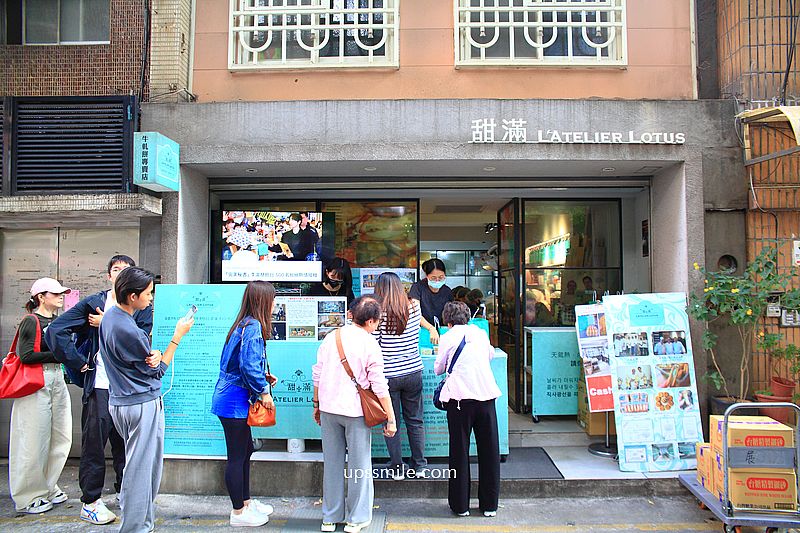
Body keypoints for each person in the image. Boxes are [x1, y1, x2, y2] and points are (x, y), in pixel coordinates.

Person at [46, 255, 152, 525]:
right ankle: (90, 501)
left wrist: (107, 322)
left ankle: (124, 493)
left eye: (126, 271)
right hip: (101, 386)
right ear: (109, 276)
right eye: (116, 270)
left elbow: (140, 340)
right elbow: (56, 330)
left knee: (126, 446)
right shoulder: (94, 303)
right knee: (94, 444)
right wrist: (79, 364)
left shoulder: (141, 306)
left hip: (128, 389)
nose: (120, 274)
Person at [99, 267, 194, 533]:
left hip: (122, 401)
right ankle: (136, 527)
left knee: (138, 466)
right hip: (140, 404)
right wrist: (178, 336)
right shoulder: (129, 329)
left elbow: (138, 360)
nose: (151, 298)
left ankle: (141, 524)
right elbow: (159, 370)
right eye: (149, 293)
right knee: (142, 470)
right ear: (132, 296)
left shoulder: (110, 319)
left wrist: (150, 353)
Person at [311, 296, 396, 533]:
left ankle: (330, 517)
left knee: (333, 463)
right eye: (377, 322)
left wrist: (316, 404)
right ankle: (356, 520)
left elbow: (317, 374)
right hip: (356, 412)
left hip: (329, 409)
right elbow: (379, 385)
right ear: (370, 321)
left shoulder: (332, 337)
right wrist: (390, 418)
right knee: (359, 465)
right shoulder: (370, 344)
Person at [210, 281, 278, 527]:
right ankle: (238, 512)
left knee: (245, 450)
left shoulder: (243, 323)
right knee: (237, 456)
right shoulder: (253, 327)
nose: (274, 305)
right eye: (272, 300)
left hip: (230, 396)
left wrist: (263, 378)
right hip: (234, 401)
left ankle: (246, 502)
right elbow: (248, 366)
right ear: (263, 301)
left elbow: (239, 364)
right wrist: (264, 391)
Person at [8, 278, 73, 514]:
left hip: (55, 378)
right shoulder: (31, 320)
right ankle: (28, 496)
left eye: (61, 293)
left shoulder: (58, 321)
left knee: (60, 436)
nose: (60, 296)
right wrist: (58, 355)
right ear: (41, 297)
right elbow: (25, 355)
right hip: (36, 380)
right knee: (33, 440)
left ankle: (48, 486)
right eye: (55, 293)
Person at [435, 301, 501, 518]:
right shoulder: (480, 333)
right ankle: (489, 505)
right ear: (467, 317)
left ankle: (460, 505)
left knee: (459, 452)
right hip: (486, 397)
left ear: (448, 320)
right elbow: (489, 355)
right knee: (489, 452)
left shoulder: (447, 337)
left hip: (460, 401)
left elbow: (438, 368)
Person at [373, 272, 427, 480]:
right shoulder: (414, 306)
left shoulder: (379, 312)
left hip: (388, 375)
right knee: (415, 420)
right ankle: (419, 465)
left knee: (391, 421)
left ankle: (397, 467)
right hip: (413, 370)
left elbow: (375, 344)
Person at [408, 258, 452, 345]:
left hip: (442, 332)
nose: (437, 281)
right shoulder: (417, 288)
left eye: (441, 277)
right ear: (426, 276)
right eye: (433, 278)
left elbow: (450, 315)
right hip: (422, 332)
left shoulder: (447, 291)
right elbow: (415, 312)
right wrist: (431, 328)